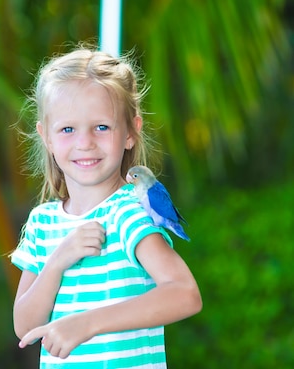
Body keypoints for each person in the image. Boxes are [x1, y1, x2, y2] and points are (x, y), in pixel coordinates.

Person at [11, 44, 202, 368]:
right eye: (68, 129)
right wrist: (58, 261)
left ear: (130, 132)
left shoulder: (129, 212)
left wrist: (86, 323)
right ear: (47, 137)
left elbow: (185, 294)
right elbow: (25, 328)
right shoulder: (42, 224)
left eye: (101, 127)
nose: (84, 142)